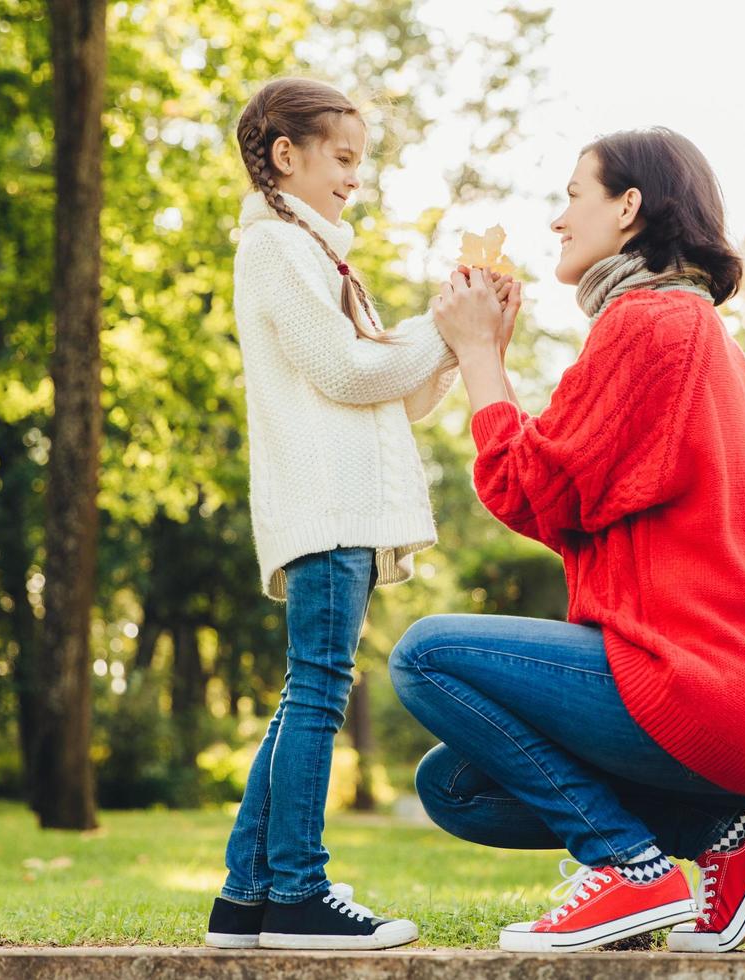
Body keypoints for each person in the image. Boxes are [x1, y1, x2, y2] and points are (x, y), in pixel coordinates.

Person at [390, 127, 745, 953]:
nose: (557, 220)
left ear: (629, 207)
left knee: (425, 656)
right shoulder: (689, 331)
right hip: (741, 696)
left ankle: (628, 868)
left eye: (572, 196)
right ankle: (730, 836)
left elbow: (528, 489)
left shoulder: (649, 324)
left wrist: (481, 353)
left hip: (701, 683)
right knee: (454, 786)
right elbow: (567, 502)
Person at [205, 77, 518, 951]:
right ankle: (298, 892)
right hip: (327, 505)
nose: (355, 178)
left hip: (342, 508)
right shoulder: (276, 251)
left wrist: (464, 341)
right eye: (343, 159)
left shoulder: (322, 256)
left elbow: (397, 396)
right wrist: (442, 323)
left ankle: (247, 896)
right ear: (285, 156)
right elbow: (346, 373)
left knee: (304, 689)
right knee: (316, 692)